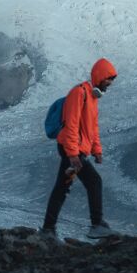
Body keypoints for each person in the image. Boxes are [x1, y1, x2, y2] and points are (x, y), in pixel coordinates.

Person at [42, 58, 119, 239]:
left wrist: (96, 150)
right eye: (108, 79)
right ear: (100, 76)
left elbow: (93, 127)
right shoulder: (79, 93)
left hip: (77, 151)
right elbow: (71, 124)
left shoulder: (92, 98)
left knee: (62, 187)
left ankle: (48, 229)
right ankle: (96, 225)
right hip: (72, 150)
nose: (110, 83)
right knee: (94, 182)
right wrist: (73, 154)